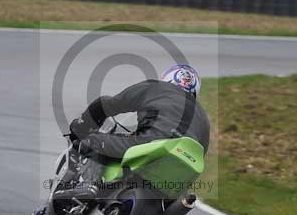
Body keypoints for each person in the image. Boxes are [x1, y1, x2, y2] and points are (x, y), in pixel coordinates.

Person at [68, 64, 211, 195]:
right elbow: (201, 151)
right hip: (185, 165)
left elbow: (109, 104)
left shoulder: (156, 88)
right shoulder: (204, 118)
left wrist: (81, 126)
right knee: (178, 198)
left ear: (166, 79)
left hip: (150, 144)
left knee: (92, 141)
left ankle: (86, 190)